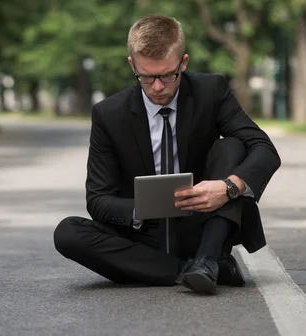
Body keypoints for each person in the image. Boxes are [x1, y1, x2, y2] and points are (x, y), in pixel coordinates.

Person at [54, 15, 281, 295]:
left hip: (201, 222)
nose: (158, 87)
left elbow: (264, 149)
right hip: (141, 234)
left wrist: (228, 188)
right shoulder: (109, 114)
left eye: (167, 75)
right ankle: (191, 269)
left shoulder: (211, 91)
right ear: (132, 65)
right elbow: (98, 199)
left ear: (183, 63)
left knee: (231, 146)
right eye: (146, 77)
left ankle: (207, 258)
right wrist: (143, 208)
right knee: (67, 233)